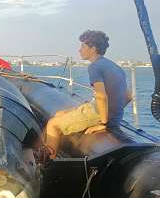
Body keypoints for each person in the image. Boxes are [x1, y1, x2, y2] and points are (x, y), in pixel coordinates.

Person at [45, 30, 132, 159]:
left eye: (83, 46)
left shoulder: (95, 67)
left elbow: (101, 97)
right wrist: (114, 113)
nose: (80, 50)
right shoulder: (114, 66)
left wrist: (103, 123)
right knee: (59, 114)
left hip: (101, 114)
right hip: (114, 115)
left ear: (93, 49)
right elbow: (128, 97)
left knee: (53, 124)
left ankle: (47, 164)